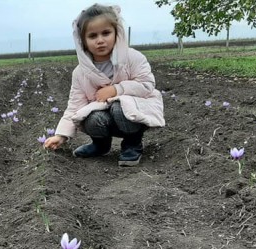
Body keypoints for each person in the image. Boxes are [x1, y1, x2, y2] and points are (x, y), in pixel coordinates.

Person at [43, 3, 165, 166]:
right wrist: (61, 135)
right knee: (91, 118)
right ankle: (100, 145)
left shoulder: (133, 58)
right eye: (93, 36)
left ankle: (132, 143)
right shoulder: (80, 73)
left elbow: (147, 84)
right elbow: (74, 106)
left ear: (117, 33)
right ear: (83, 41)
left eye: (106, 33)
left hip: (134, 114)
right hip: (106, 119)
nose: (100, 40)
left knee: (119, 106)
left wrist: (116, 89)